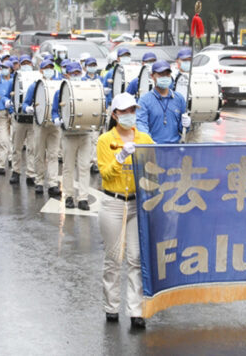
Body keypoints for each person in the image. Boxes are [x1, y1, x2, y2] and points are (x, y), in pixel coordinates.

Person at [96, 92, 154, 329]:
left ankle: (136, 310)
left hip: (137, 203)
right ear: (114, 114)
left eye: (133, 110)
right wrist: (120, 156)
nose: (130, 115)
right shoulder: (105, 140)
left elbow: (159, 160)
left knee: (136, 259)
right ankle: (111, 306)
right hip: (113, 203)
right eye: (125, 111)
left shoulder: (143, 137)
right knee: (113, 258)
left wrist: (183, 133)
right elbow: (106, 174)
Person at [52, 62, 92, 210]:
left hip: (85, 133)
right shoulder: (61, 92)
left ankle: (83, 198)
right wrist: (56, 119)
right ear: (67, 74)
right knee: (68, 167)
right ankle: (68, 196)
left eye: (78, 73)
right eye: (73, 73)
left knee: (84, 167)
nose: (76, 76)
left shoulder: (87, 88)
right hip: (69, 134)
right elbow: (54, 110)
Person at [23, 58, 62, 197]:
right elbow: (25, 103)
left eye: (51, 67)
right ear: (41, 70)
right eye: (46, 68)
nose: (49, 70)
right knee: (39, 153)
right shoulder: (35, 86)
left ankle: (52, 183)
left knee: (53, 154)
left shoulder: (59, 84)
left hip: (54, 125)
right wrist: (28, 108)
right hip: (40, 124)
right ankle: (39, 181)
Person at [136, 60, 190, 144]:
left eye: (167, 74)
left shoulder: (179, 98)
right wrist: (149, 142)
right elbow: (141, 124)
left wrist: (187, 125)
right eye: (161, 74)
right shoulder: (144, 100)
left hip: (174, 149)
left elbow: (182, 129)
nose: (164, 77)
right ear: (152, 76)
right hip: (153, 147)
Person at [9, 55, 37, 186]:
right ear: (20, 65)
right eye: (24, 63)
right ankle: (16, 171)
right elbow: (7, 96)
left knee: (32, 148)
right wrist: (9, 104)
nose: (26, 65)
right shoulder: (15, 78)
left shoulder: (37, 79)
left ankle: (31, 173)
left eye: (28, 63)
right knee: (17, 147)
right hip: (19, 119)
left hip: (32, 120)